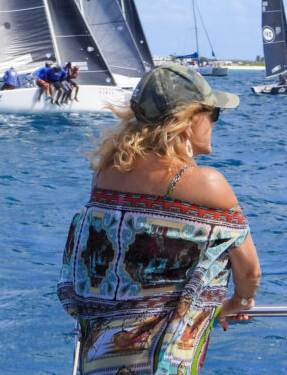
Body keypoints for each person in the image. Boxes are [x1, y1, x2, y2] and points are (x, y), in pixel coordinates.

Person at [58, 64, 261, 374]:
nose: (215, 123)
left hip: (99, 358)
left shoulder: (105, 175)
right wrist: (240, 300)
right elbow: (249, 270)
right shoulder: (207, 184)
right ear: (189, 119)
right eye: (214, 115)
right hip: (160, 364)